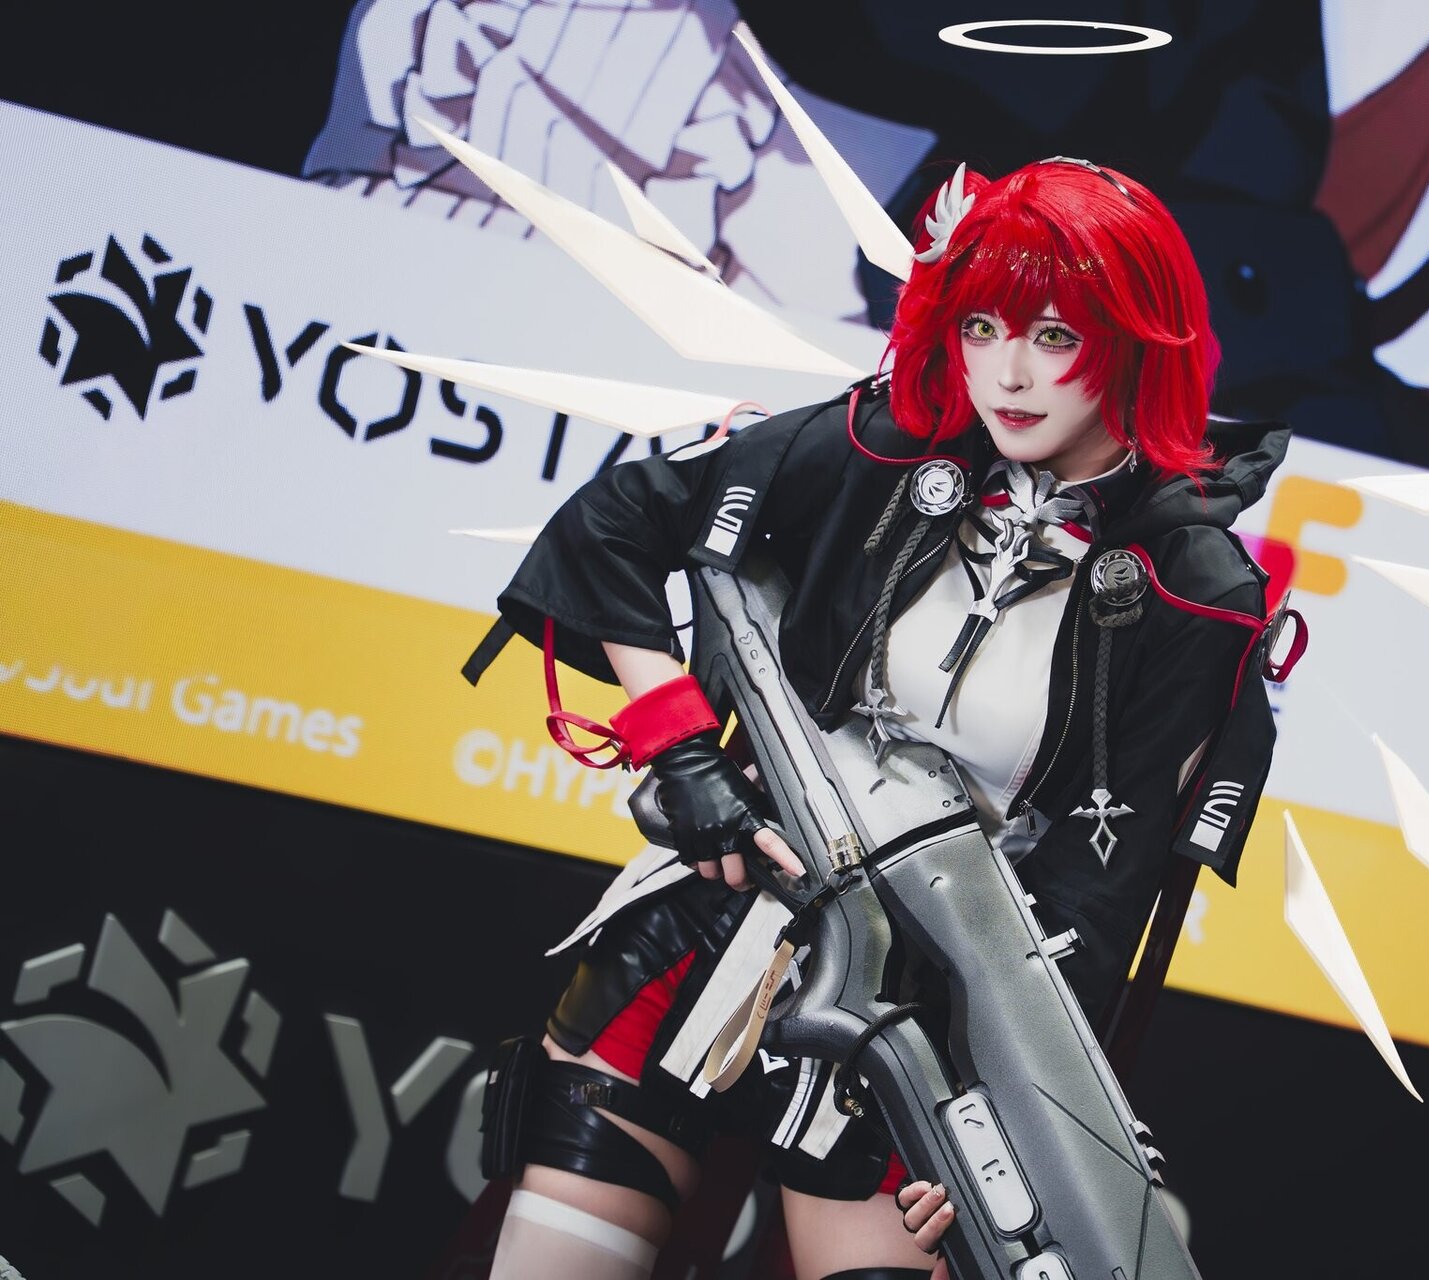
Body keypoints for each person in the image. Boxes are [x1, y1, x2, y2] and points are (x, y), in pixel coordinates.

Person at [476, 156, 1292, 1280]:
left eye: (1056, 337)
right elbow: (615, 521)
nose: (1008, 373)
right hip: (709, 933)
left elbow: (1095, 910)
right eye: (983, 328)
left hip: (914, 1030)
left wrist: (1020, 1119)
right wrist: (680, 749)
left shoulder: (1194, 589)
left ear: (1136, 340)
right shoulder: (889, 440)